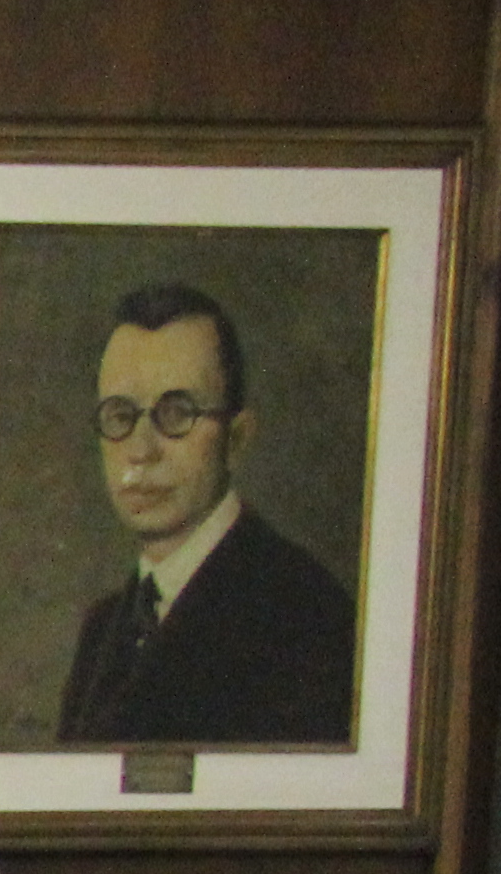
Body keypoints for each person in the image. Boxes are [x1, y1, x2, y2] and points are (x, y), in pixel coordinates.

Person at [54, 278, 357, 747]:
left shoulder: (304, 617)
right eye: (120, 415)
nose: (140, 450)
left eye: (177, 414)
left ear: (236, 440)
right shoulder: (105, 626)